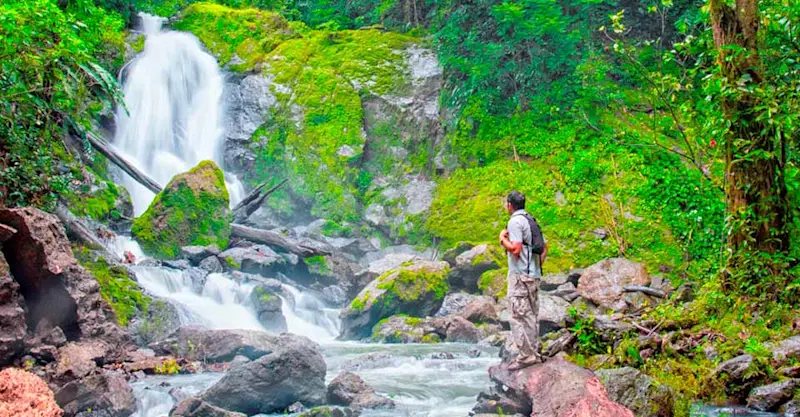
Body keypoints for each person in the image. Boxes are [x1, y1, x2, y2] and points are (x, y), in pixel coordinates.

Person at [499, 191, 548, 370]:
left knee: (517, 316)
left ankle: (526, 356)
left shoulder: (515, 222)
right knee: (531, 316)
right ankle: (533, 352)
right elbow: (545, 248)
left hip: (520, 276)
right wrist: (535, 267)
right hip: (533, 276)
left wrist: (502, 239)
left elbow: (516, 249)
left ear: (510, 205)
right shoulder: (531, 220)